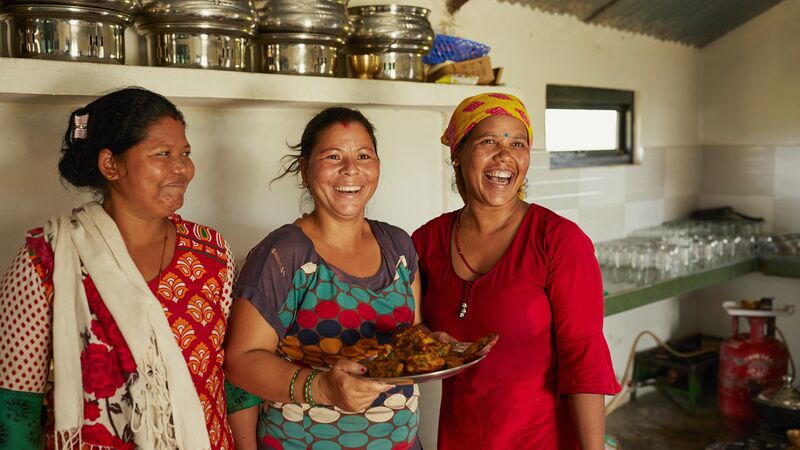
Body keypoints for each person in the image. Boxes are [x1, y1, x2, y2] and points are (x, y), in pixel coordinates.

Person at [0, 88, 235, 449]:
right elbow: (16, 402)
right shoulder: (48, 255)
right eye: (163, 154)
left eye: (185, 153)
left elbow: (228, 375)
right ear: (111, 165)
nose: (182, 169)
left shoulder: (211, 253)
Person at [412, 92, 621, 450]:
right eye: (489, 140)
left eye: (518, 143)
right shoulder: (427, 240)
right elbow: (413, 329)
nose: (505, 155)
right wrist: (430, 340)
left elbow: (583, 357)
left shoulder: (558, 240)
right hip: (459, 438)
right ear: (458, 154)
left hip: (543, 440)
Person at [224, 107, 423, 450]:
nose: (351, 169)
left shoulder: (398, 246)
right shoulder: (285, 254)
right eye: (333, 156)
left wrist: (440, 346)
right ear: (304, 170)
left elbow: (413, 332)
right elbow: (240, 363)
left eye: (363, 155)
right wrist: (323, 388)